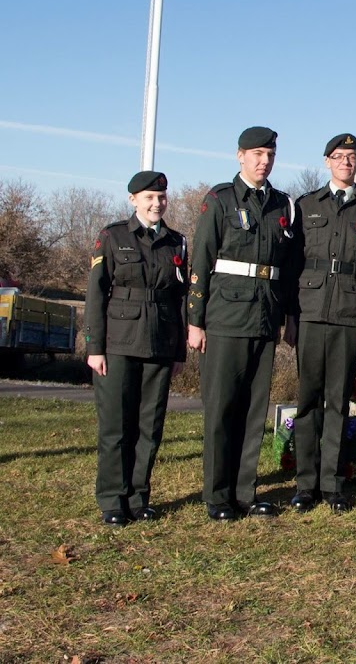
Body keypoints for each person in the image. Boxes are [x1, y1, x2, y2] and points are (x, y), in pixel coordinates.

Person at [187, 126, 296, 521]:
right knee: (221, 409)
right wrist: (195, 321)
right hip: (225, 317)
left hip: (264, 318)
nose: (263, 161)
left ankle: (244, 493)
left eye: (269, 154)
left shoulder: (282, 205)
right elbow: (200, 263)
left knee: (253, 411)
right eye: (256, 154)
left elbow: (286, 267)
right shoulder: (219, 200)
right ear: (240, 156)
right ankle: (217, 496)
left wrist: (284, 317)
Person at [286, 133, 356, 514]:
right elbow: (292, 265)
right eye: (339, 156)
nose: (346, 162)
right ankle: (305, 484)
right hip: (310, 313)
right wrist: (291, 318)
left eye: (352, 156)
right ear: (327, 161)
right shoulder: (306, 205)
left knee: (339, 402)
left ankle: (332, 484)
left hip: (349, 315)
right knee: (308, 400)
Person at [83, 171, 187, 525]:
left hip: (159, 344)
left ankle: (139, 497)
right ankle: (113, 500)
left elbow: (179, 300)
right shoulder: (112, 237)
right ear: (133, 200)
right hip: (117, 344)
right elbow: (96, 295)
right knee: (116, 426)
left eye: (161, 198)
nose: (156, 203)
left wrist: (178, 353)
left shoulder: (176, 242)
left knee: (149, 426)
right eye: (149, 198)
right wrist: (94, 347)